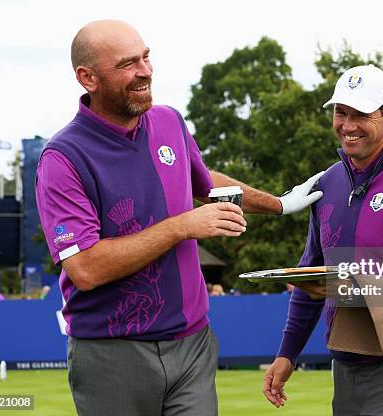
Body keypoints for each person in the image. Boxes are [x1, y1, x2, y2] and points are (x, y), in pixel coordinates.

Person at [35, 20, 322, 416]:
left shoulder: (169, 121)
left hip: (193, 344)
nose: (145, 71)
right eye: (127, 64)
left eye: (146, 57)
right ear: (88, 78)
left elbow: (204, 183)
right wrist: (183, 225)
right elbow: (84, 268)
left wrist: (278, 204)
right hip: (111, 353)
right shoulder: (62, 158)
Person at [262, 65, 383, 415]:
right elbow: (310, 275)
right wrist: (287, 354)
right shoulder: (327, 183)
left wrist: (343, 286)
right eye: (340, 113)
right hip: (345, 367)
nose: (347, 126)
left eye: (360, 114)